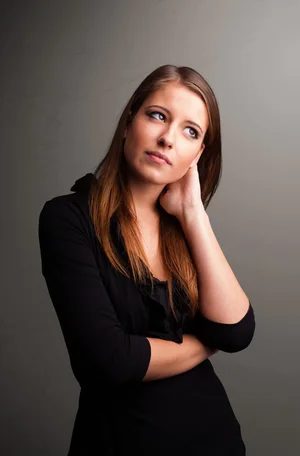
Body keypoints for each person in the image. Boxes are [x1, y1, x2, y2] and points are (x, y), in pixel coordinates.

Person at [38, 64, 256, 455]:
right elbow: (107, 360)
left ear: (197, 154)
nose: (168, 139)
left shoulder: (184, 229)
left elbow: (237, 332)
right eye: (158, 115)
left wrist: (193, 212)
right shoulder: (68, 219)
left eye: (191, 131)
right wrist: (202, 345)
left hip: (215, 440)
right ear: (128, 122)